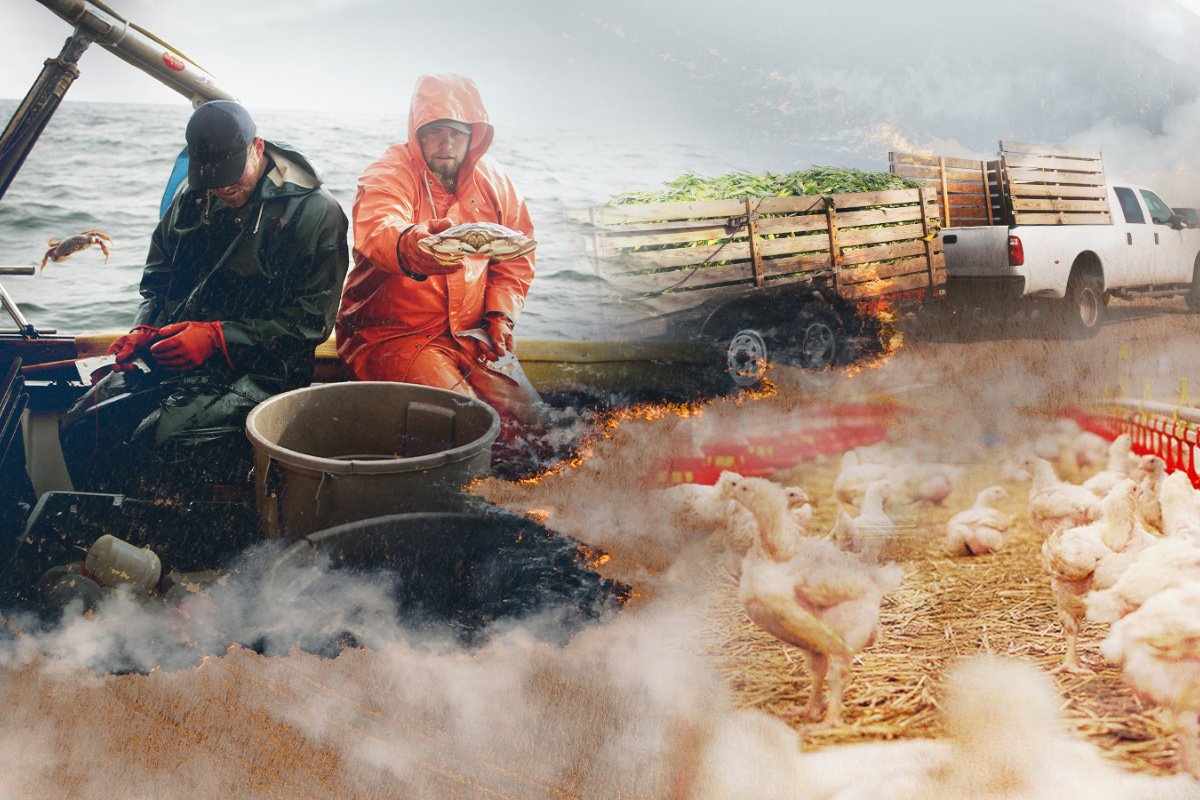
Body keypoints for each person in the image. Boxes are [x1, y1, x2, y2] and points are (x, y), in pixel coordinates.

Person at [59, 100, 349, 500]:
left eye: (232, 176)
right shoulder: (192, 195)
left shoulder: (316, 213)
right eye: (211, 181)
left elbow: (311, 321)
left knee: (164, 439)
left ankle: (172, 546)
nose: (224, 189)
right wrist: (145, 326)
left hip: (266, 370)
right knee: (81, 423)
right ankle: (112, 536)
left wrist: (217, 337)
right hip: (181, 354)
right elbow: (159, 277)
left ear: (257, 146)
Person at [335, 74, 542, 455]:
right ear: (417, 132)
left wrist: (501, 315)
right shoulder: (388, 172)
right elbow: (380, 231)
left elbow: (518, 257)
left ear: (474, 136)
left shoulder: (496, 182)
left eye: (457, 133)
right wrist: (419, 247)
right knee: (467, 423)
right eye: (434, 132)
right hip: (392, 336)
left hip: (472, 335)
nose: (446, 144)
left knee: (537, 428)